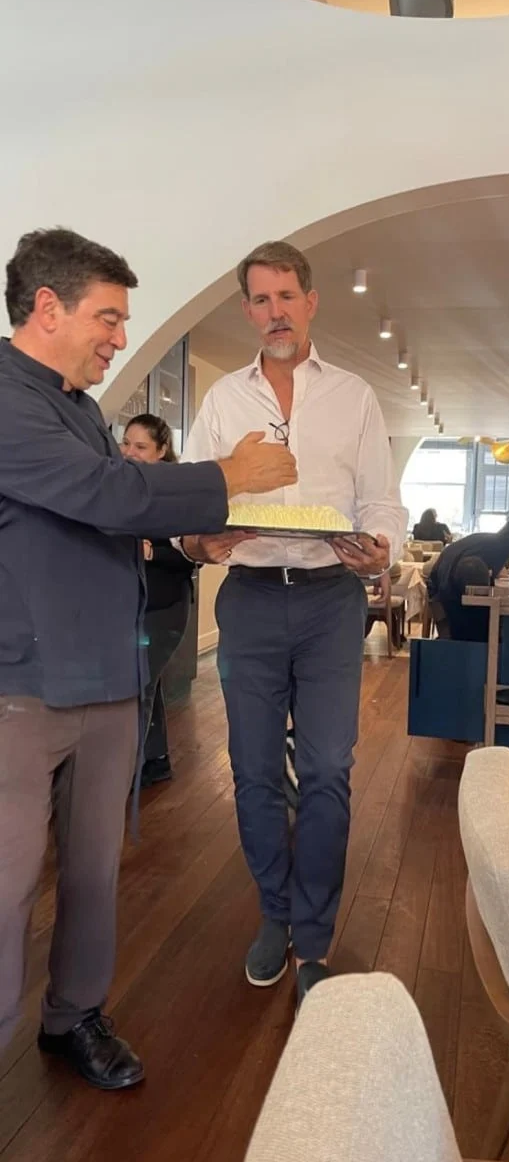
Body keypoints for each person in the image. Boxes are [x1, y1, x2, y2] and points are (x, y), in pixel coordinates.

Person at [0, 227, 297, 1089]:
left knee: (94, 872)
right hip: (21, 690)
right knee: (7, 886)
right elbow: (105, 492)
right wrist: (227, 476)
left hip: (106, 682)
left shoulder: (82, 410)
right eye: (109, 317)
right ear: (47, 308)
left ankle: (74, 1015)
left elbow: (114, 518)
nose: (120, 337)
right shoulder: (7, 399)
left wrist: (197, 541)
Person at [180, 240, 408, 1008]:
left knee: (327, 770)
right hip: (247, 598)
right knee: (250, 771)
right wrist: (198, 541)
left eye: (287, 296)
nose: (275, 312)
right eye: (261, 299)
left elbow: (381, 500)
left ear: (310, 302)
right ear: (247, 310)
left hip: (329, 600)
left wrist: (381, 547)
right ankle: (274, 913)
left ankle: (312, 934)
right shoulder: (223, 402)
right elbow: (193, 503)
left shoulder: (354, 395)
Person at [121, 414, 193, 787]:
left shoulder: (176, 496)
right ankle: (156, 759)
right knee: (148, 683)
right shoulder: (123, 488)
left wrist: (152, 552)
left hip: (165, 609)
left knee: (138, 687)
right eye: (126, 443)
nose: (129, 452)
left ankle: (123, 776)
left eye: (141, 446)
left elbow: (192, 556)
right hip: (132, 606)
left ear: (162, 451)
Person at [428, 519, 509, 641]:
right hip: (450, 582)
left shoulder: (487, 538)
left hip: (438, 579)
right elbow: (492, 577)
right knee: (480, 614)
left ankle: (453, 643)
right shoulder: (507, 543)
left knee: (455, 630)